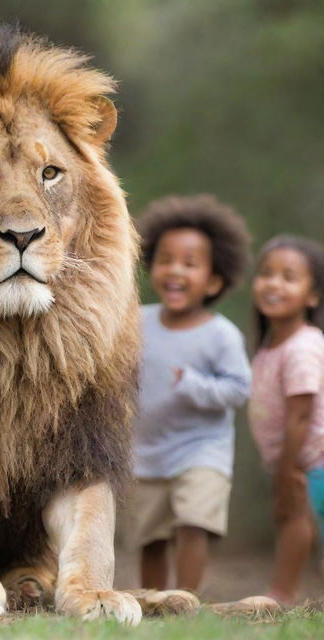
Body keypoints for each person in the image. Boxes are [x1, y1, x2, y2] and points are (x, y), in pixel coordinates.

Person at [131, 194, 251, 592]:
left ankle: (184, 598)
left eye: (190, 263)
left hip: (202, 449)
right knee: (150, 536)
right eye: (166, 260)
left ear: (214, 280)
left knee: (193, 523)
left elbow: (238, 390)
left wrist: (196, 386)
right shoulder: (136, 323)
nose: (174, 271)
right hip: (145, 453)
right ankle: (153, 600)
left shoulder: (220, 335)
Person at [248, 235, 324, 605]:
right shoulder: (270, 346)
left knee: (295, 520)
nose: (274, 283)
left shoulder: (303, 346)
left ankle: (282, 592)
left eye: (289, 277)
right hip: (298, 463)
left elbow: (301, 414)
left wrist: (288, 469)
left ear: (313, 296)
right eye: (266, 274)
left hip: (312, 462)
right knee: (300, 523)